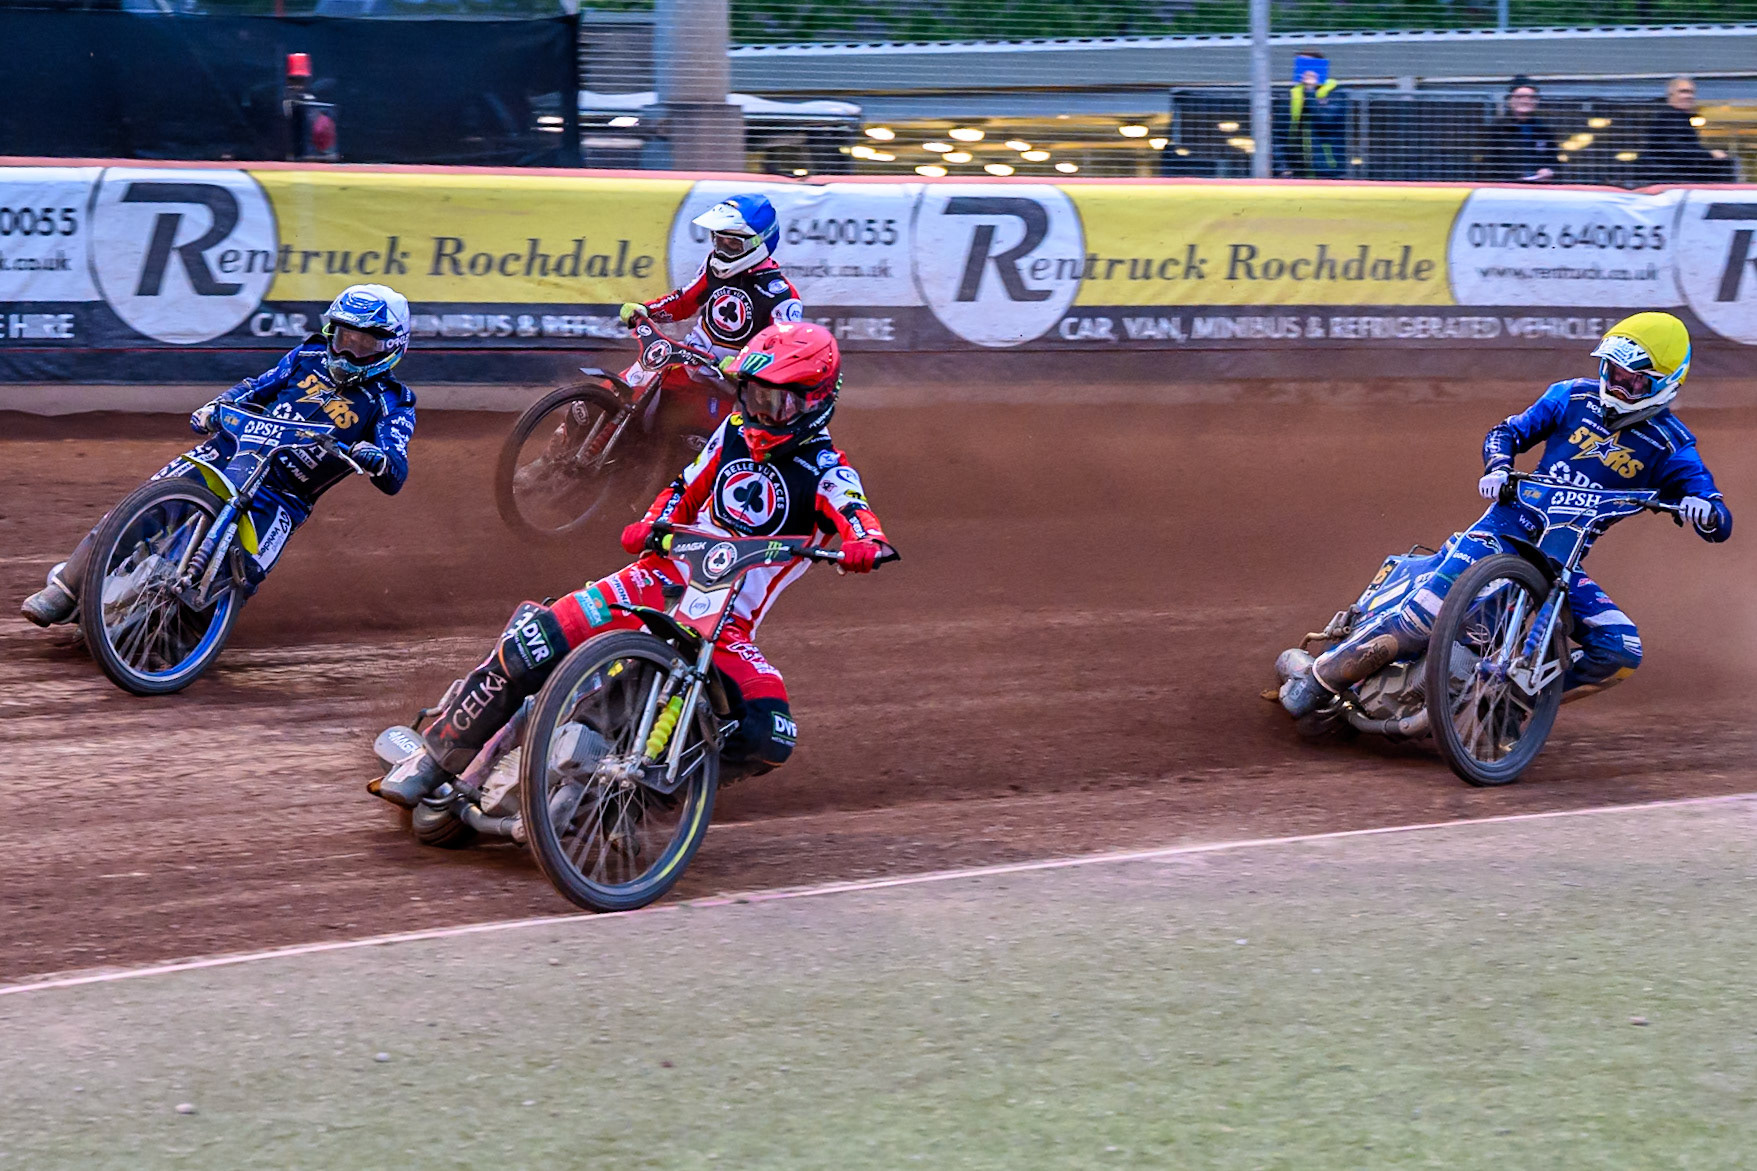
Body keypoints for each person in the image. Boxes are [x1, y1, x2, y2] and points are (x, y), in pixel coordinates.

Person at [372, 321, 892, 808]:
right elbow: (684, 488)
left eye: (777, 401)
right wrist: (652, 523)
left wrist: (865, 545)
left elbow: (859, 519)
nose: (761, 411)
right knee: (534, 641)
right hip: (657, 579)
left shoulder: (828, 471)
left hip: (725, 626)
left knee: (769, 733)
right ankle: (433, 757)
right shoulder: (733, 431)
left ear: (817, 402)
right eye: (754, 395)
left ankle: (637, 800)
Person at [1281, 311, 1731, 718]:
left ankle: (1510, 703)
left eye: (1633, 381)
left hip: (1561, 561)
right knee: (1425, 617)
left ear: (1666, 383)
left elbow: (1716, 513)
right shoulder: (1571, 397)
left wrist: (1705, 510)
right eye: (1613, 372)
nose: (1617, 386)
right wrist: (1498, 467)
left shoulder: (1671, 445)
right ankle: (1320, 679)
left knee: (1621, 649)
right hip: (1502, 530)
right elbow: (1507, 432)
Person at [20, 284, 417, 627]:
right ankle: (66, 589)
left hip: (282, 494)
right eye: (345, 338)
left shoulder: (392, 402)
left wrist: (378, 459)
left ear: (391, 347)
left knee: (243, 573)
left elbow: (395, 470)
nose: (349, 351)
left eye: (365, 344)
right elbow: (256, 387)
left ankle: (179, 635)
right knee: (143, 506)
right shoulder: (308, 356)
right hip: (229, 452)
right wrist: (218, 406)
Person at [618, 192, 801, 362]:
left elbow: (783, 349)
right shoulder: (714, 265)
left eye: (732, 244)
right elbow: (684, 301)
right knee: (629, 382)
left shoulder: (781, 295)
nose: (723, 250)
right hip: (692, 357)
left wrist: (744, 364)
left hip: (732, 378)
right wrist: (647, 310)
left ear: (758, 242)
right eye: (719, 240)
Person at [1643, 77, 1735, 184]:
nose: (1688, 96)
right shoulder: (1671, 117)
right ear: (1671, 95)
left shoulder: (1678, 117)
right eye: (1683, 92)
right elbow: (1677, 148)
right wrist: (1710, 154)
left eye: (1691, 92)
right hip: (1670, 180)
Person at [1273, 55, 1348, 179]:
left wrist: (1310, 92)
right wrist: (1282, 168)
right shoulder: (1290, 96)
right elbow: (1279, 135)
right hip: (1296, 170)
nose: (1306, 73)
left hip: (1328, 169)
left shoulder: (1335, 94)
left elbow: (1325, 121)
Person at [1482, 77, 1558, 182]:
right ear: (1510, 100)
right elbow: (1487, 163)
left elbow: (1554, 160)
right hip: (1505, 187)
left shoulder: (1543, 130)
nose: (1525, 101)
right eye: (1519, 97)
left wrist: (1549, 170)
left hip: (1538, 187)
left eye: (1531, 97)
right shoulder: (1497, 129)